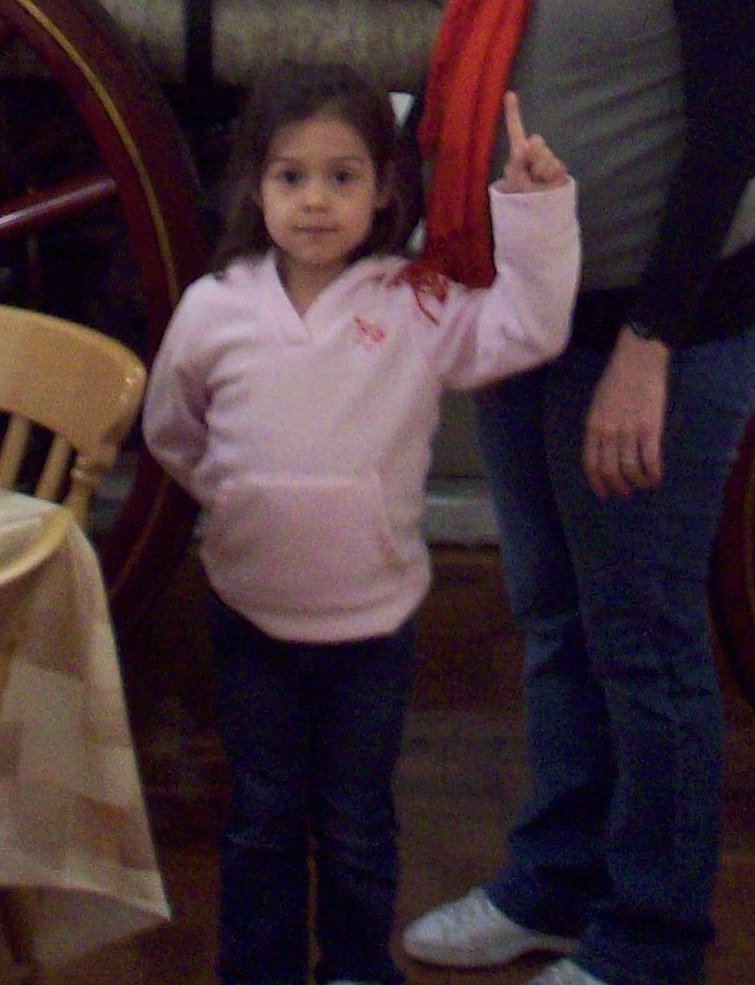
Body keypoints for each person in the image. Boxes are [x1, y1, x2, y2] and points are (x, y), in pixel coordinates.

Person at [401, 0, 755, 985]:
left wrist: (648, 353)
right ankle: (553, 884)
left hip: (648, 324)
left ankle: (650, 937)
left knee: (642, 639)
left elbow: (727, 137)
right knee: (555, 620)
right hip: (529, 312)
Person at [145, 64, 579, 985]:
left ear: (383, 189)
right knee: (261, 818)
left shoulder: (416, 302)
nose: (315, 201)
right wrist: (242, 496)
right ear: (255, 185)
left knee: (355, 824)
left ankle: (353, 969)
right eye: (291, 176)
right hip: (250, 618)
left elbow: (527, 330)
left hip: (372, 632)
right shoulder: (214, 309)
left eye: (341, 176)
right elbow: (174, 430)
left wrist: (535, 213)